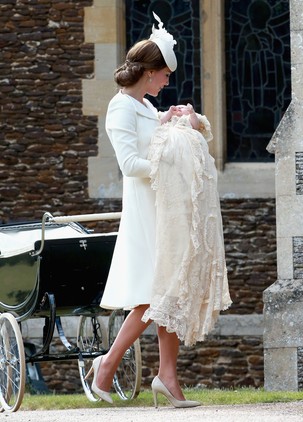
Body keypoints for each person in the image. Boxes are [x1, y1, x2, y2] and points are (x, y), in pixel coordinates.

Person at [85, 13, 231, 408]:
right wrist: (171, 164)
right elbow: (131, 165)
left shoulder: (146, 106)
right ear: (149, 72)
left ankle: (167, 377)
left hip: (163, 209)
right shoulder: (121, 109)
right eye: (164, 75)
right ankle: (107, 366)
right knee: (155, 295)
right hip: (147, 209)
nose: (167, 81)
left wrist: (172, 121)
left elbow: (157, 140)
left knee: (170, 288)